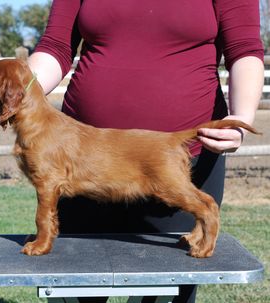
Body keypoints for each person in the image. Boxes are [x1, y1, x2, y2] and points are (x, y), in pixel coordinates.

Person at [26, 1, 264, 302]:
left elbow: (243, 49)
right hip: (82, 163)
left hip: (180, 158)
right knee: (75, 287)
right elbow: (56, 46)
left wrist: (240, 119)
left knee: (160, 291)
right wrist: (20, 92)